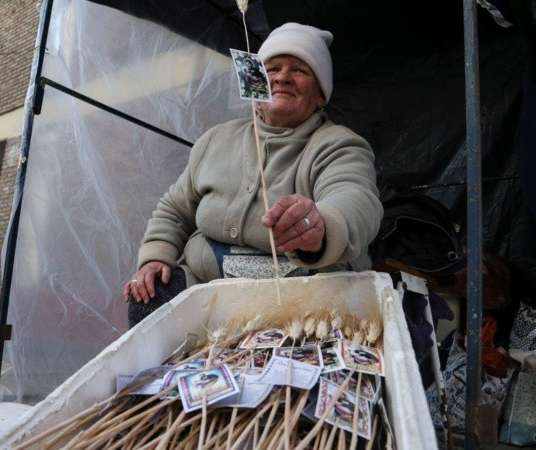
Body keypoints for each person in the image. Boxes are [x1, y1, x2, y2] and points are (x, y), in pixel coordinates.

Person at [123, 23, 383, 327]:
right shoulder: (215, 141)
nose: (282, 77)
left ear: (321, 95)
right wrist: (156, 257)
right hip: (205, 291)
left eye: (300, 70)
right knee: (149, 298)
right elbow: (175, 209)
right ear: (255, 79)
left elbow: (356, 197)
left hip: (302, 302)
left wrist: (321, 227)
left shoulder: (340, 144)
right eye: (272, 68)